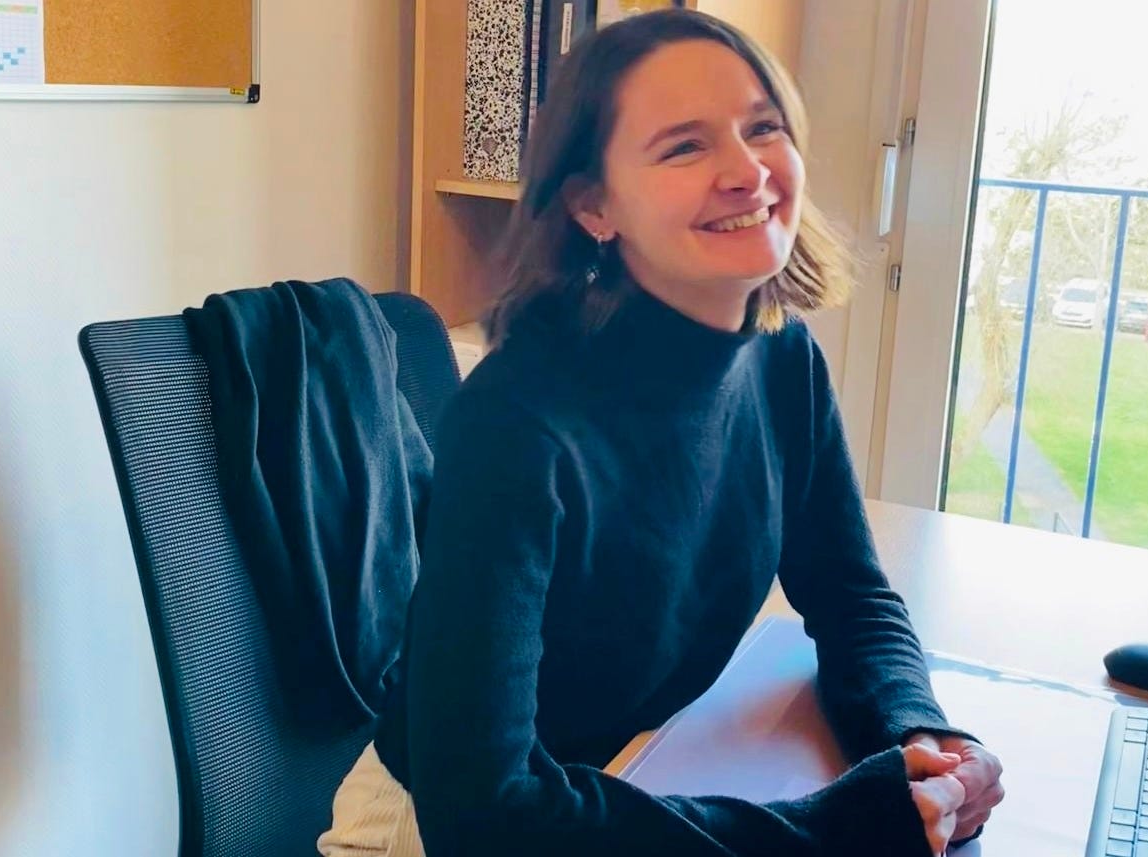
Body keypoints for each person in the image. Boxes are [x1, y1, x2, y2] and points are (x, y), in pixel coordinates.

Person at [319, 9, 1004, 857]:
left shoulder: (781, 358)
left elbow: (850, 596)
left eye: (763, 127)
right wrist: (828, 831)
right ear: (593, 205)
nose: (747, 170)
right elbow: (484, 811)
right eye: (685, 146)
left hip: (628, 785)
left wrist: (922, 736)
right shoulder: (516, 422)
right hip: (438, 831)